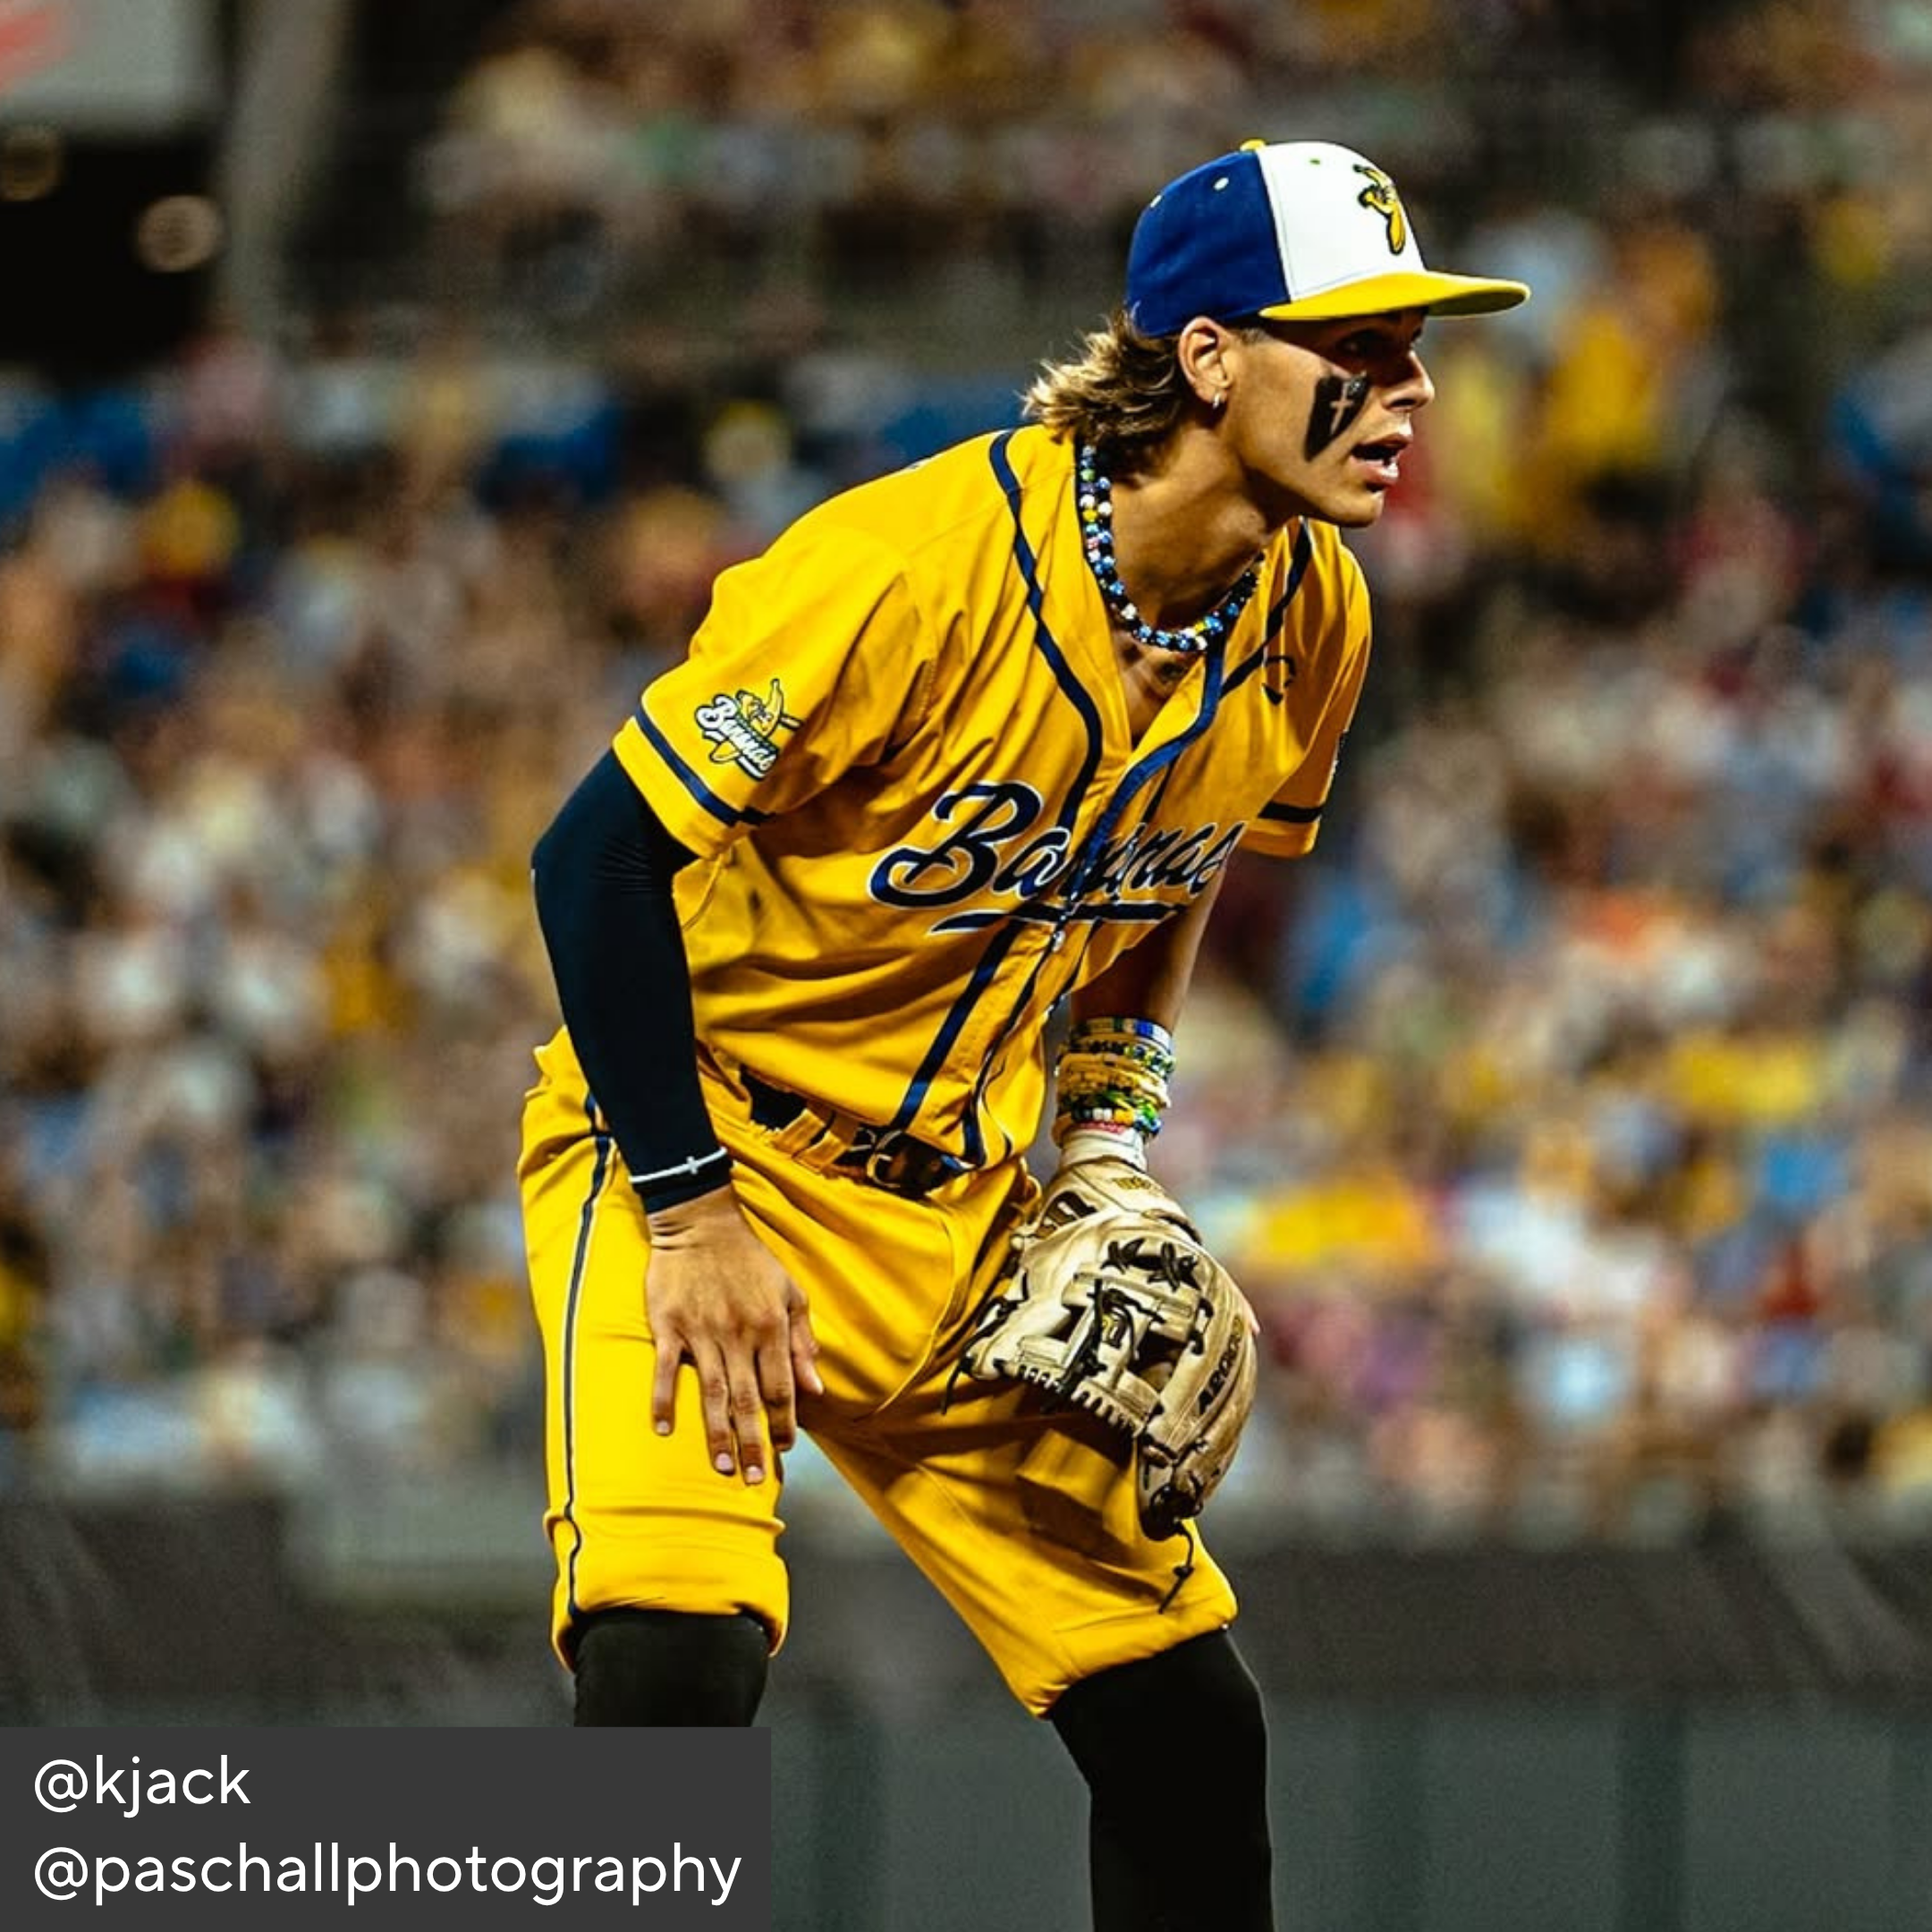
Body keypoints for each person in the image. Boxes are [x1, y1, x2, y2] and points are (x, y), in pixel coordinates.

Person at [521, 137, 1527, 1928]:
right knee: (673, 1684)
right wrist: (685, 1212)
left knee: (1190, 1734)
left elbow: (1176, 874)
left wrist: (1112, 1143)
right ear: (1210, 358)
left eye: (1414, 346)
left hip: (967, 1214)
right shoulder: (905, 571)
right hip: (705, 1145)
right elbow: (591, 860)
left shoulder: (1315, 617)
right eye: (1358, 347)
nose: (1411, 389)